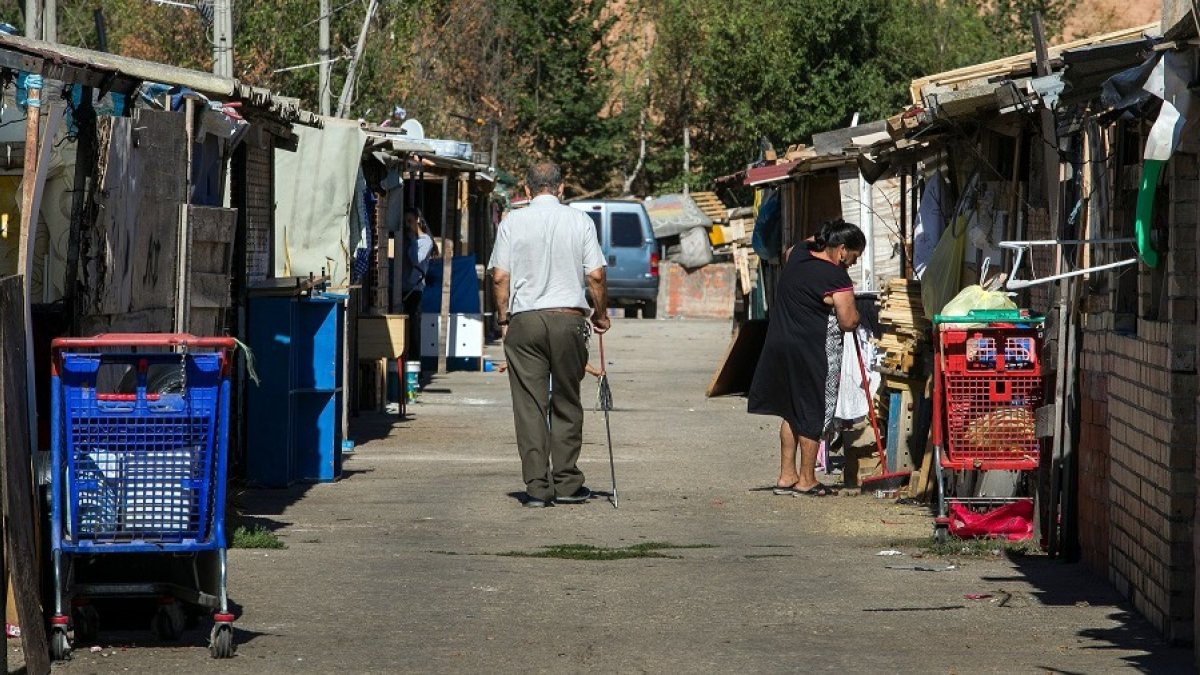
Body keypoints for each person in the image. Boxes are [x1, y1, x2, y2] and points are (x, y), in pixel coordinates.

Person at [488, 161, 610, 508]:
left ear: (526, 190)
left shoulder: (513, 222)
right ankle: (568, 483)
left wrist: (503, 319)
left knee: (529, 406)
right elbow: (596, 276)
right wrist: (600, 314)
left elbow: (500, 277)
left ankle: (538, 489)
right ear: (561, 187)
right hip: (569, 319)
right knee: (567, 401)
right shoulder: (580, 221)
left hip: (525, 321)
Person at [747, 219, 865, 497]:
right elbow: (848, 321)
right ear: (842, 249)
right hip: (813, 350)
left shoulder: (798, 255)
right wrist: (858, 314)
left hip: (779, 344)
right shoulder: (837, 277)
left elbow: (805, 241)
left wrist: (825, 236)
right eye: (853, 256)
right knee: (813, 411)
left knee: (791, 410)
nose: (853, 264)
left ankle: (786, 476)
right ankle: (807, 480)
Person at [401, 208, 438, 363]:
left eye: (410, 221)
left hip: (414, 289)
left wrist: (411, 239)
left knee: (414, 328)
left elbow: (416, 258)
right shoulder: (408, 241)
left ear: (417, 220)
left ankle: (415, 363)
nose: (408, 225)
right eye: (405, 222)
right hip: (403, 287)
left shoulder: (425, 241)